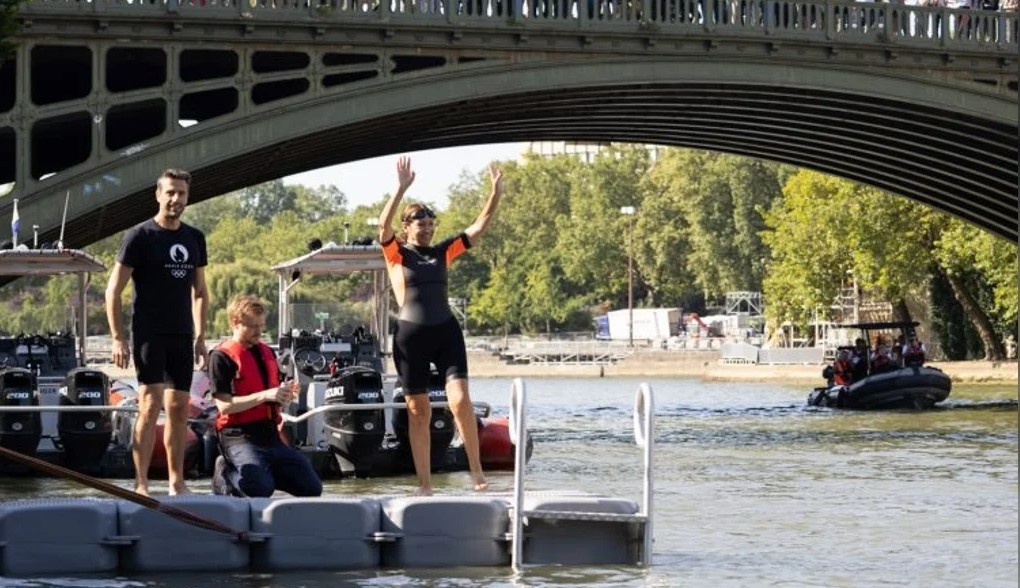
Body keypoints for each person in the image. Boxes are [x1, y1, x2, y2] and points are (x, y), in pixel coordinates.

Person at [378, 156, 504, 496]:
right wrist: (401, 188)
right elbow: (382, 226)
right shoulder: (396, 254)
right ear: (407, 228)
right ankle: (424, 485)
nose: (428, 228)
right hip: (410, 337)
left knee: (461, 401)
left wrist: (495, 194)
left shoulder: (444, 251)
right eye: (421, 224)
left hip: (445, 331)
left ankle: (476, 472)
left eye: (431, 223)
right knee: (418, 411)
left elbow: (479, 226)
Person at [105, 168, 208, 496]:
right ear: (158, 194)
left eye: (182, 193)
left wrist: (201, 336)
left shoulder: (195, 238)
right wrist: (118, 337)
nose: (176, 199)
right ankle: (141, 483)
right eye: (171, 192)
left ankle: (177, 482)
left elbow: (201, 291)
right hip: (149, 333)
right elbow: (113, 290)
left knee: (179, 407)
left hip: (181, 333)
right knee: (149, 404)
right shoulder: (139, 236)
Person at [208, 295, 322, 498]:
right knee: (259, 489)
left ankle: (262, 472)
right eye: (253, 326)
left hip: (270, 437)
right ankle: (226, 470)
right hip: (239, 436)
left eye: (261, 325)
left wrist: (283, 393)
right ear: (235, 323)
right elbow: (224, 406)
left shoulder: (267, 352)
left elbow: (271, 393)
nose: (259, 332)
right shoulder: (221, 357)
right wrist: (265, 395)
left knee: (311, 487)